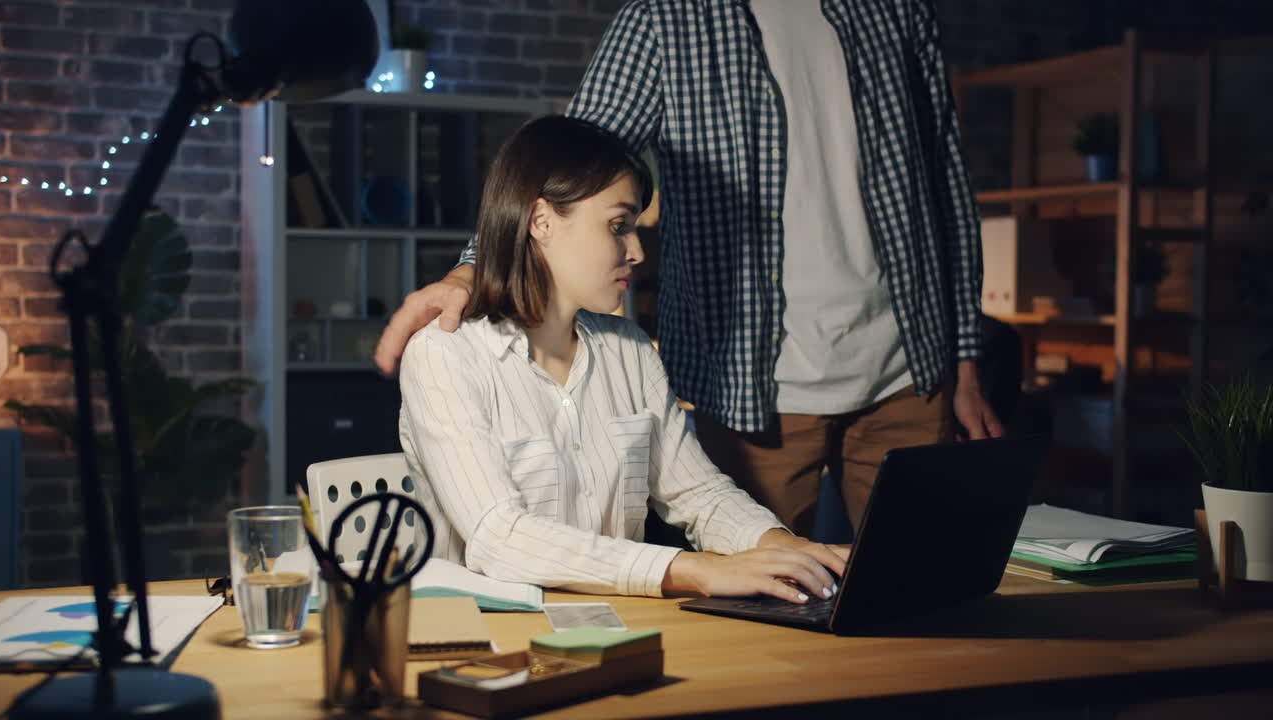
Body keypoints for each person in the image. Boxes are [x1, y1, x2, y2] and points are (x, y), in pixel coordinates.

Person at [379, 0, 1002, 540]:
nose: (633, 250)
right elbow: (565, 169)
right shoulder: (665, 19)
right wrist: (474, 269)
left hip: (912, 366)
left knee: (932, 603)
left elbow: (947, 183)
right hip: (753, 381)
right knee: (766, 623)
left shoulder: (899, 11)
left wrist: (965, 359)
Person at [398, 115, 847, 602]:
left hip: (620, 626)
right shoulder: (444, 354)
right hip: (487, 638)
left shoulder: (631, 351)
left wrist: (792, 551)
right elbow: (499, 538)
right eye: (618, 226)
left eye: (634, 228)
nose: (636, 251)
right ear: (541, 221)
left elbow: (697, 493)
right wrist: (690, 570)